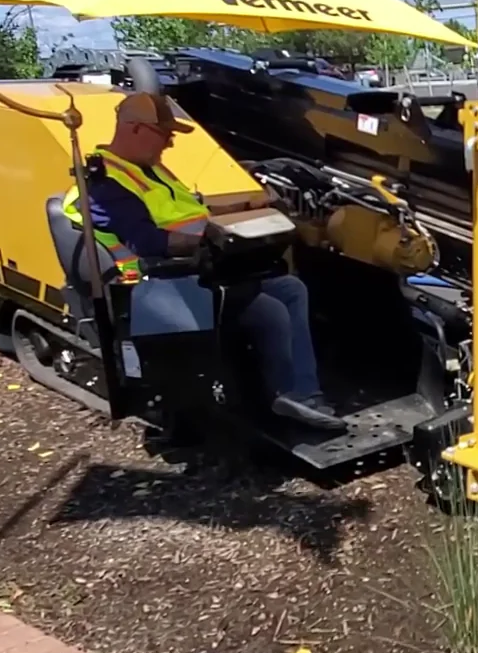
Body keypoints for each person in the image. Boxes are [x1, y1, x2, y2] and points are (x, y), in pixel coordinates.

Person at [62, 91, 344, 432]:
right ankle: (282, 397)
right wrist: (220, 240)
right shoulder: (104, 186)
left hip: (200, 270)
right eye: (164, 135)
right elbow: (150, 242)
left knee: (290, 287)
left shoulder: (150, 170)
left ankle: (302, 394)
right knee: (271, 311)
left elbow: (196, 212)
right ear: (135, 129)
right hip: (160, 286)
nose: (169, 144)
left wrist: (243, 210)